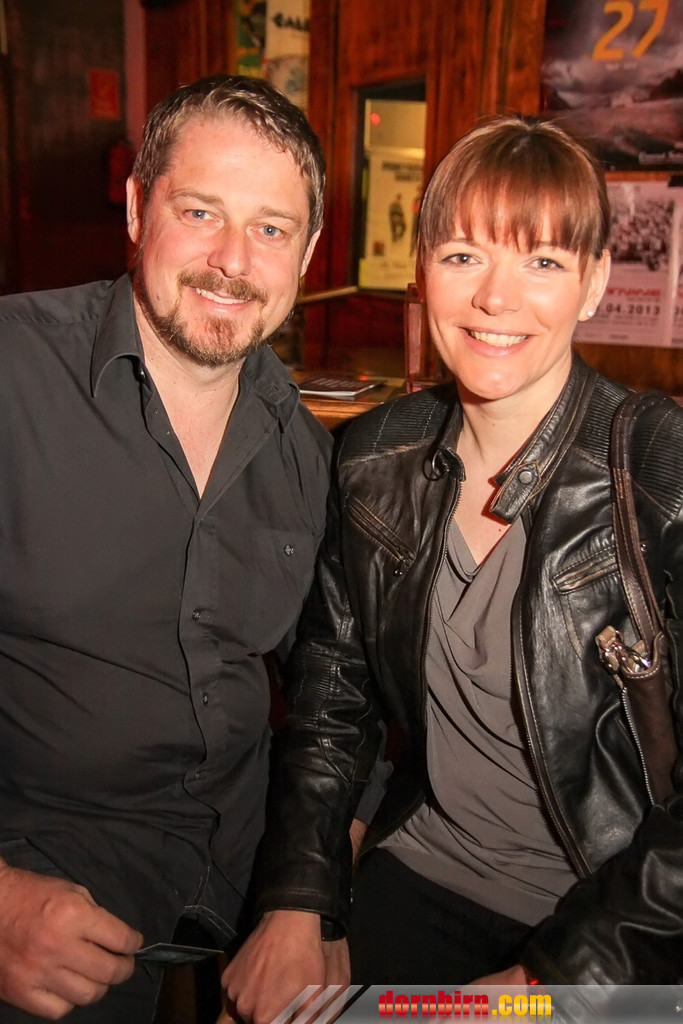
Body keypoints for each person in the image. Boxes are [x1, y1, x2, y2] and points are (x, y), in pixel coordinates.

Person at [222, 115, 683, 1020]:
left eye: (542, 261)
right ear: (422, 270)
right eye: (464, 255)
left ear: (594, 282)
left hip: (621, 915)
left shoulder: (658, 472)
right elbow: (333, 704)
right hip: (424, 867)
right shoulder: (373, 458)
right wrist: (297, 902)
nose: (494, 299)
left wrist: (552, 982)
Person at [0, 74, 331, 1022]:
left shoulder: (307, 451)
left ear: (307, 252)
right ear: (138, 208)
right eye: (200, 212)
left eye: (271, 229)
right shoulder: (13, 373)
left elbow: (335, 692)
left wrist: (312, 897)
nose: (233, 260)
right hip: (45, 873)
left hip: (246, 866)